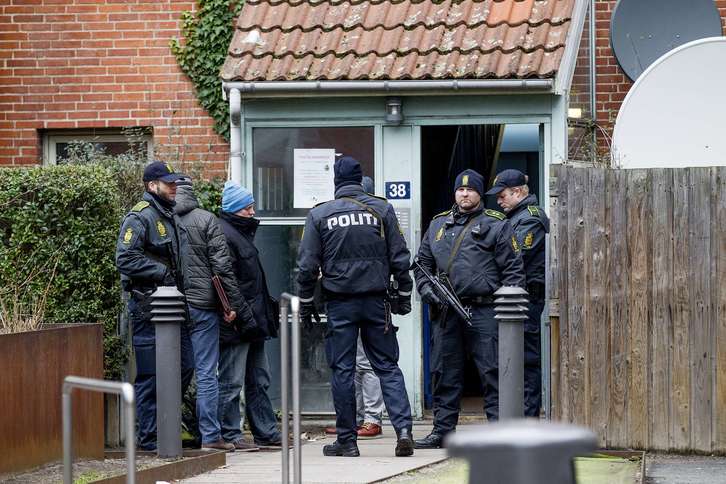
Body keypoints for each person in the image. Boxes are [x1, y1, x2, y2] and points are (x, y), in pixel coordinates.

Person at [296, 156, 415, 458]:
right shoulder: (382, 209)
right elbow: (400, 256)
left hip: (340, 304)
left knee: (343, 371)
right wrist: (403, 294)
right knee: (387, 366)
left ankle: (347, 441)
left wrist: (306, 300)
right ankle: (403, 432)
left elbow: (307, 265)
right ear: (361, 179)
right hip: (377, 302)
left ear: (335, 182)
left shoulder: (320, 215)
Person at [413, 168, 525, 449]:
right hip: (446, 313)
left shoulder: (496, 224)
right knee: (444, 372)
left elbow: (513, 271)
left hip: (485, 311)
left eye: (471, 190)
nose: (465, 194)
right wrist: (428, 292)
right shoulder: (437, 225)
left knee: (492, 371)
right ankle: (442, 431)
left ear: (479, 194)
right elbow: (422, 265)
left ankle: (500, 431)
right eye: (460, 190)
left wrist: (507, 312)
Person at [115, 161, 194, 451]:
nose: (174, 187)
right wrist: (159, 272)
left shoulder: (169, 214)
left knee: (185, 365)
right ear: (152, 186)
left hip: (174, 305)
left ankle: (165, 426)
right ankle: (149, 438)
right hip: (149, 305)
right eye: (168, 183)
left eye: (175, 182)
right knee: (151, 374)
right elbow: (125, 258)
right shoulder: (141, 217)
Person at [174, 177, 244, 451]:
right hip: (203, 306)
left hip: (168, 309)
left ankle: (159, 431)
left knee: (171, 370)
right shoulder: (205, 219)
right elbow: (222, 267)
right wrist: (231, 305)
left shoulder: (160, 219)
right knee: (206, 372)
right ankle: (210, 436)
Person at [217, 181, 283, 450]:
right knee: (232, 381)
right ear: (234, 209)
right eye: (247, 207)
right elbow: (227, 281)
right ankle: (230, 434)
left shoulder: (238, 234)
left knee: (259, 378)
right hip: (240, 322)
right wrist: (243, 316)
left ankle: (265, 432)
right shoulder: (227, 235)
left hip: (251, 320)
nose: (253, 212)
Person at [324, 176, 386, 439]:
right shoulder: (373, 217)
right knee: (352, 364)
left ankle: (371, 418)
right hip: (349, 300)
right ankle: (355, 419)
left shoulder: (374, 217)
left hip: (364, 300)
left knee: (366, 363)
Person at [486, 169, 550, 418]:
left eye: (502, 196)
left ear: (518, 192)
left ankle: (528, 417)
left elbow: (515, 256)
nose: (499, 201)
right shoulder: (515, 217)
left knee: (526, 360)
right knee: (513, 358)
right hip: (515, 299)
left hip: (526, 300)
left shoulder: (531, 218)